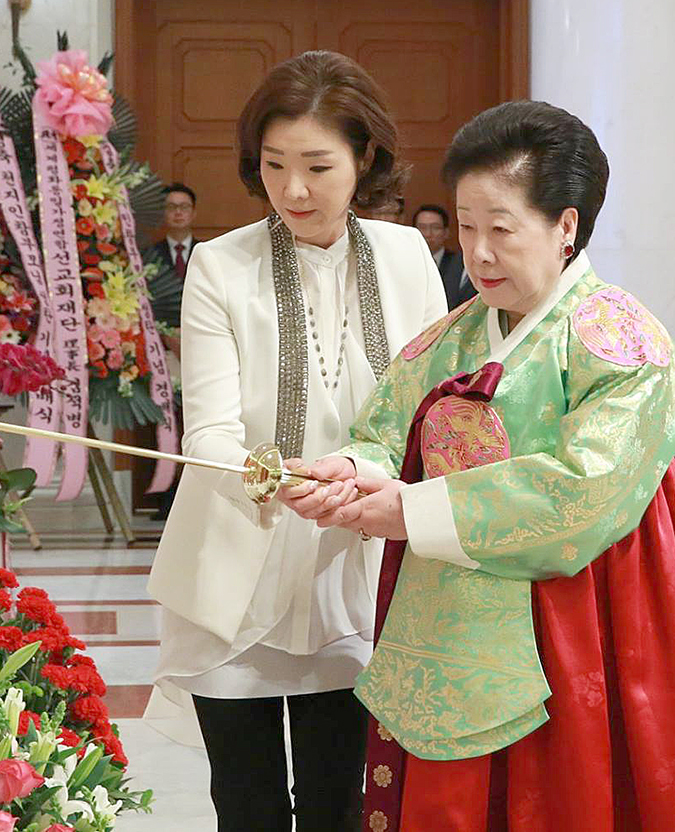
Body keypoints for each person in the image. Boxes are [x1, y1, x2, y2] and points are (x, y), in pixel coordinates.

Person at [281, 100, 675, 831]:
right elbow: (383, 427)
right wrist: (348, 470)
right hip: (451, 620)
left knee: (569, 791)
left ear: (566, 226)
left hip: (581, 616)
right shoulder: (454, 335)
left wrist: (407, 510)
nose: (479, 255)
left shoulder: (621, 342)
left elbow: (584, 493)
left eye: (501, 229)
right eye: (466, 228)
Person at [146, 50, 448, 832]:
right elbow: (208, 431)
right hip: (240, 568)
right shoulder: (220, 265)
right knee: (245, 807)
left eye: (318, 165)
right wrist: (278, 480)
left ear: (365, 159)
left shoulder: (409, 255)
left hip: (359, 569)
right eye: (275, 165)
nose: (294, 190)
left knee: (340, 807)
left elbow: (426, 411)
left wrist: (355, 474)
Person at [142, 184, 200, 519]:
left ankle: (192, 497)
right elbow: (144, 306)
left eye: (184, 206)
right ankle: (166, 496)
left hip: (202, 349)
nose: (177, 212)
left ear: (193, 212)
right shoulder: (151, 256)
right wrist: (167, 338)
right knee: (166, 423)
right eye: (171, 207)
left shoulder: (209, 253)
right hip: (162, 351)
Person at [413, 203, 477, 308]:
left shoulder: (459, 264)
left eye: (435, 227)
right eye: (422, 227)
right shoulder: (407, 264)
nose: (428, 234)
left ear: (446, 232)